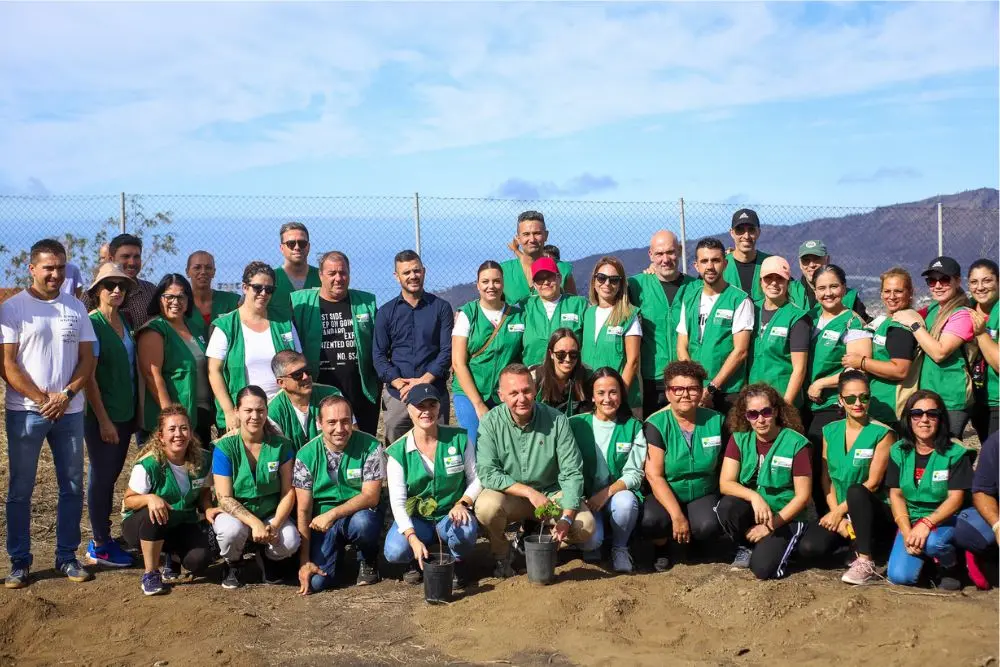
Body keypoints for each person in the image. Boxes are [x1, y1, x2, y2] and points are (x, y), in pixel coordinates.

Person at [1, 239, 97, 588]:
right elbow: (8, 364)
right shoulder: (13, 309)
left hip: (70, 412)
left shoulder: (76, 308)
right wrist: (43, 399)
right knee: (21, 489)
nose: (55, 274)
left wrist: (67, 394)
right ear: (32, 269)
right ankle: (20, 562)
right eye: (48, 268)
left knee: (72, 486)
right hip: (25, 412)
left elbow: (88, 359)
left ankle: (66, 557)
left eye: (60, 267)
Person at [474, 364, 596, 578]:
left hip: (550, 493)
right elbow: (488, 472)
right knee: (486, 508)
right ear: (501, 395)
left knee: (584, 526)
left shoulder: (556, 420)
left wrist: (567, 518)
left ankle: (541, 542)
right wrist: (529, 493)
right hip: (512, 495)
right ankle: (503, 556)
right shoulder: (490, 423)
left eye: (526, 390)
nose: (521, 398)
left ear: (535, 390)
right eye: (513, 393)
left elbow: (572, 471)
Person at [796, 371, 896, 585]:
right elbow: (826, 480)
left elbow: (874, 483)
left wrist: (839, 512)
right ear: (841, 400)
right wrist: (836, 516)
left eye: (864, 397)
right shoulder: (829, 431)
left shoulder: (883, 433)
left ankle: (866, 560)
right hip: (839, 509)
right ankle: (851, 540)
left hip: (870, 508)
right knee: (809, 548)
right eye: (850, 398)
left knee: (857, 490)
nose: (858, 403)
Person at [384, 384, 481, 587]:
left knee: (466, 531)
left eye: (432, 405)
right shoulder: (398, 452)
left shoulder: (459, 438)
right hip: (418, 519)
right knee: (394, 551)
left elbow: (476, 478)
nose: (426, 411)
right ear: (409, 409)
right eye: (420, 406)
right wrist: (412, 538)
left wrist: (463, 503)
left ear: (439, 407)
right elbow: (398, 503)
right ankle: (415, 557)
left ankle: (457, 560)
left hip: (450, 513)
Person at [716, 384, 811, 580]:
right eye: (753, 414)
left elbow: (802, 497)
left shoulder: (796, 443)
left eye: (766, 412)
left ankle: (782, 545)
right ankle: (745, 546)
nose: (760, 419)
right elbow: (725, 483)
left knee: (762, 570)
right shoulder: (739, 438)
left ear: (776, 411)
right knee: (727, 505)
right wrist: (754, 496)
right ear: (745, 416)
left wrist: (769, 526)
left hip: (785, 516)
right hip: (757, 510)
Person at [294, 395, 386, 593]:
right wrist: (305, 560)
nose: (340, 429)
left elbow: (371, 496)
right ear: (319, 423)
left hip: (358, 513)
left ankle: (367, 557)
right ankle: (334, 556)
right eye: (331, 422)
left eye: (345, 421)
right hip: (321, 522)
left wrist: (333, 514)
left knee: (364, 524)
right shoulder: (306, 455)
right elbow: (303, 509)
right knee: (318, 583)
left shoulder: (371, 446)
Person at [121, 405, 217, 595]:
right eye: (171, 429)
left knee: (199, 560)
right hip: (141, 526)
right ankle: (151, 574)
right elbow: (129, 500)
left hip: (181, 521)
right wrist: (149, 498)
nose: (178, 434)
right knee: (154, 513)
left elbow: (204, 493)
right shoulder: (149, 463)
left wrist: (207, 508)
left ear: (190, 432)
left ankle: (172, 556)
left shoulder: (204, 460)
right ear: (161, 436)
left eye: (183, 428)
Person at [212, 386, 300, 589]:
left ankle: (267, 558)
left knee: (290, 541)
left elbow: (288, 491)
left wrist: (275, 524)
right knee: (230, 532)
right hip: (236, 514)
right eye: (248, 410)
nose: (255, 416)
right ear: (237, 412)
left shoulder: (281, 445)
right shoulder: (224, 447)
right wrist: (254, 523)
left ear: (267, 411)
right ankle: (233, 562)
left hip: (270, 513)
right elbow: (224, 497)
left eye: (260, 410)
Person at [641, 361, 726, 572]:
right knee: (651, 520)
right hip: (668, 489)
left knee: (708, 526)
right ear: (668, 393)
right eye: (678, 389)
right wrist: (677, 516)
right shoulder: (656, 424)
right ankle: (662, 549)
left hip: (703, 491)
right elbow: (654, 475)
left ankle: (695, 539)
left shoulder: (718, 421)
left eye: (692, 388)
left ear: (701, 391)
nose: (685, 395)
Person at [885, 390, 973, 590]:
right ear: (909, 418)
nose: (924, 420)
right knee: (899, 576)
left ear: (941, 419)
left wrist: (927, 523)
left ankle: (950, 566)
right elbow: (896, 495)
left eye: (932, 414)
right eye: (917, 413)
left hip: (947, 519)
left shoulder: (956, 452)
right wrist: (907, 532)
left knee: (935, 543)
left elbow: (956, 498)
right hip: (912, 519)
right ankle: (926, 565)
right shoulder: (898, 451)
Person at [82, 263, 138, 568]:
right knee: (101, 479)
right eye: (109, 285)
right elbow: (89, 378)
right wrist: (103, 420)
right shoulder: (92, 325)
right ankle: (100, 545)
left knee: (110, 477)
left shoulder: (124, 320)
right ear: (96, 290)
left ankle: (104, 536)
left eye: (122, 286)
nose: (117, 290)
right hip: (103, 417)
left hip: (126, 412)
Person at [804, 264, 871, 514]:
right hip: (806, 403)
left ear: (843, 288)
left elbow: (858, 370)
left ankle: (835, 521)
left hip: (831, 405)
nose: (828, 293)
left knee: (825, 466)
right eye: (821, 288)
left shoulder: (852, 321)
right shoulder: (809, 317)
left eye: (833, 286)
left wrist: (823, 382)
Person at [290, 251, 380, 435]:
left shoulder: (366, 302)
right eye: (332, 273)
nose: (338, 278)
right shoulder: (301, 303)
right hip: (317, 391)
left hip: (360, 391)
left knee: (362, 444)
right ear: (320, 275)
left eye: (343, 272)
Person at [207, 262, 301, 431]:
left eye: (269, 289)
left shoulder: (284, 322)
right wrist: (229, 411)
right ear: (244, 287)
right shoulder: (225, 326)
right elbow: (214, 371)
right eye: (258, 288)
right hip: (243, 416)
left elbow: (298, 364)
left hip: (281, 413)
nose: (263, 293)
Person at [571, 368, 647, 573]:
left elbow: (635, 473)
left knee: (626, 503)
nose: (607, 399)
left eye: (613, 392)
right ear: (592, 397)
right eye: (601, 393)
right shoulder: (575, 424)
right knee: (591, 542)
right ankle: (596, 539)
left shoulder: (633, 427)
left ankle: (620, 547)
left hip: (615, 495)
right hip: (584, 499)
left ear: (622, 395)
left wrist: (606, 493)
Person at [374, 250, 453, 443]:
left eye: (416, 271)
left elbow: (447, 351)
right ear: (397, 276)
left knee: (439, 444)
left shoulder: (441, 308)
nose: (413, 276)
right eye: (406, 272)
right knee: (396, 447)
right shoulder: (386, 312)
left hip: (434, 390)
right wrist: (401, 384)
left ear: (424, 271)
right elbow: (379, 356)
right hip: (399, 394)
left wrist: (424, 380)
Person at [892, 257, 976, 439]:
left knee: (947, 447)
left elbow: (940, 352)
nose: (937, 285)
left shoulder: (961, 314)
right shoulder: (932, 310)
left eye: (944, 280)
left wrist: (915, 326)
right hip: (929, 396)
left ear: (958, 281)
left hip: (951, 398)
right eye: (932, 280)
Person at [677, 238, 754, 414]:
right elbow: (682, 345)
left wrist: (711, 388)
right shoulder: (689, 298)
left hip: (728, 392)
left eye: (715, 260)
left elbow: (740, 351)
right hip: (695, 391)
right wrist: (693, 385)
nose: (710, 266)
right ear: (696, 265)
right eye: (704, 261)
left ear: (725, 264)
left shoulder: (739, 299)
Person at [452, 261, 524, 444]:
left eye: (496, 281)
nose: (491, 286)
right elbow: (458, 363)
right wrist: (478, 404)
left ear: (503, 283)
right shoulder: (468, 314)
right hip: (470, 393)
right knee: (475, 445)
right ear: (477, 285)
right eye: (485, 282)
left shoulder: (518, 314)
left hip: (505, 394)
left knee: (505, 445)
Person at [137, 274, 212, 448]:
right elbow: (152, 376)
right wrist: (171, 418)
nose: (175, 301)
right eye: (169, 296)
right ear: (159, 299)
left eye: (181, 296)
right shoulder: (154, 330)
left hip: (198, 414)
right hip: (172, 422)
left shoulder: (194, 327)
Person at [628, 230, 698, 417]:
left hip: (687, 379)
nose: (665, 259)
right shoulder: (636, 285)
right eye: (659, 254)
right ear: (650, 255)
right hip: (651, 379)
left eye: (670, 252)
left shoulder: (696, 288)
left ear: (680, 250)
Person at [842, 267, 919, 428]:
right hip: (878, 404)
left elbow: (900, 370)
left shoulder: (900, 326)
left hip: (892, 408)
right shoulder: (887, 321)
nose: (891, 297)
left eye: (898, 291)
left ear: (910, 292)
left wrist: (861, 362)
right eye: (887, 291)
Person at [747, 256, 810, 408]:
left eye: (780, 279)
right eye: (769, 278)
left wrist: (785, 406)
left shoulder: (797, 317)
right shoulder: (750, 309)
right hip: (753, 398)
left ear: (788, 283)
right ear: (761, 281)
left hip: (781, 397)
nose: (774, 283)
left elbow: (799, 369)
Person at [582, 256, 642, 411]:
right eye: (601, 278)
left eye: (614, 279)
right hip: (592, 397)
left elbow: (633, 361)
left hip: (619, 400)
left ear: (621, 284)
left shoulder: (629, 315)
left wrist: (620, 394)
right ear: (594, 281)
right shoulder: (587, 314)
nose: (607, 284)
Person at [267, 351, 343, 450]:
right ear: (281, 383)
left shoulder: (332, 395)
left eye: (307, 371)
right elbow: (278, 454)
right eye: (297, 374)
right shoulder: (273, 411)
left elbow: (352, 434)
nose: (306, 377)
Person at [520, 257, 588, 367]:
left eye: (550, 277)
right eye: (540, 279)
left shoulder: (579, 304)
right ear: (534, 284)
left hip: (569, 373)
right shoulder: (525, 306)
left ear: (559, 278)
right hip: (533, 375)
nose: (546, 282)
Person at [954, 431, 998, 590]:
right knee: (966, 529)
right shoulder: (995, 443)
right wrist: (997, 525)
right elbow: (982, 492)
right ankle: (989, 558)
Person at [501, 210, 576, 303]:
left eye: (537, 233)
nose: (532, 239)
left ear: (546, 235)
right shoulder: (503, 271)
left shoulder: (563, 270)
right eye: (526, 234)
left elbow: (574, 308)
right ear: (518, 239)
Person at [789, 240, 870, 322]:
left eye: (817, 259)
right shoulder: (789, 291)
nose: (811, 265)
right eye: (806, 260)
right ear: (800, 263)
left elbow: (865, 325)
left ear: (827, 260)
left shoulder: (849, 297)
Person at [968, 259, 999, 440]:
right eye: (974, 282)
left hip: (997, 401)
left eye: (987, 280)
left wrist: (980, 334)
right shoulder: (965, 307)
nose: (980, 287)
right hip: (975, 400)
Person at [100, 233, 157, 329]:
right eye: (125, 256)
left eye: (136, 257)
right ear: (111, 259)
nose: (132, 263)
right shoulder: (98, 292)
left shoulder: (151, 291)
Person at [269, 221, 321, 321]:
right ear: (282, 248)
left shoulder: (323, 277)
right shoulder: (270, 279)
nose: (297, 247)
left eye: (302, 243)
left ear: (308, 247)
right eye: (291, 243)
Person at [531, 328, 588, 416]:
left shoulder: (586, 377)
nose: (567, 359)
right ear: (551, 354)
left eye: (573, 354)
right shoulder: (534, 378)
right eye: (561, 354)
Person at [185, 250, 240, 342]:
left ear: (214, 272)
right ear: (187, 272)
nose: (203, 272)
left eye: (208, 268)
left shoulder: (232, 301)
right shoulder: (180, 303)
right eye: (197, 267)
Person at [722, 208, 771, 302]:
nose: (746, 236)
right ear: (732, 233)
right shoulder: (720, 265)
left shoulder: (770, 263)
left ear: (758, 232)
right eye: (740, 230)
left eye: (751, 230)